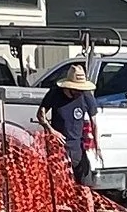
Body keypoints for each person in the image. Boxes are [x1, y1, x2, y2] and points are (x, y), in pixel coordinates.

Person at [40, 56, 97, 186]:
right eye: (77, 89)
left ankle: (83, 204)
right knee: (60, 183)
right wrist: (52, 131)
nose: (80, 92)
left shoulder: (86, 95)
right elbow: (41, 114)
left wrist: (97, 145)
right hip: (59, 146)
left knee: (85, 183)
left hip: (77, 146)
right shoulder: (55, 94)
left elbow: (94, 121)